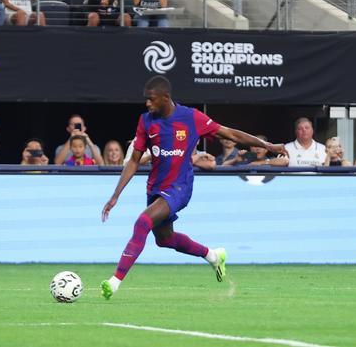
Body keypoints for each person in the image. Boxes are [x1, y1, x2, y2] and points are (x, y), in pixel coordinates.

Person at [99, 75, 286, 299]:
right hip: (156, 188)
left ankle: (115, 281)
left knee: (142, 222)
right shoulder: (146, 121)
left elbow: (231, 134)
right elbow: (134, 161)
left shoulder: (191, 117)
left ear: (165, 98)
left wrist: (267, 145)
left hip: (180, 187)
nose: (147, 104)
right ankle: (213, 256)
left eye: (151, 99)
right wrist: (115, 195)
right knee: (165, 239)